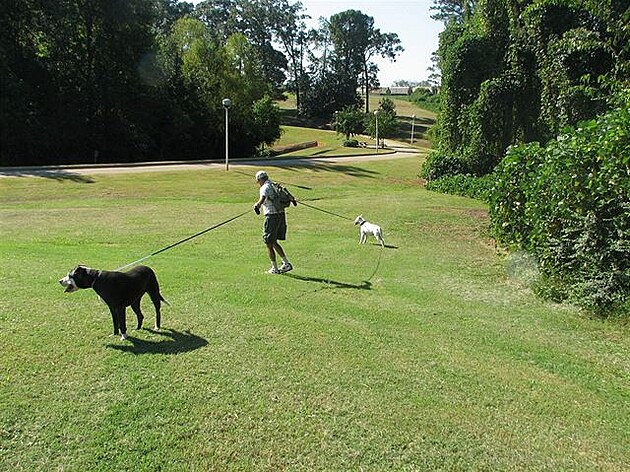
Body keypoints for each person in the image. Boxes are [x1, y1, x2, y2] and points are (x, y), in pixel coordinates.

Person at [253, 170, 293, 274]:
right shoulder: (274, 184)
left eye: (258, 181)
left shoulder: (264, 187)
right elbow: (287, 194)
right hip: (281, 215)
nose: (258, 183)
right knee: (273, 241)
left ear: (260, 180)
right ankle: (286, 264)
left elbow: (263, 197)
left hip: (271, 216)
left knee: (268, 242)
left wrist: (257, 205)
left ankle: (275, 268)